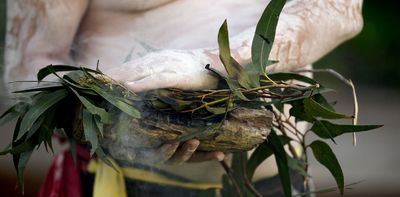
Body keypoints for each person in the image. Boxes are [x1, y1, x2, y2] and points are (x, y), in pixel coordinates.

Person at [4, 0, 364, 196]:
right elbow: (27, 72)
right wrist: (116, 124)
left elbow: (342, 9)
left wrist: (215, 64)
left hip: (271, 184)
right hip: (118, 184)